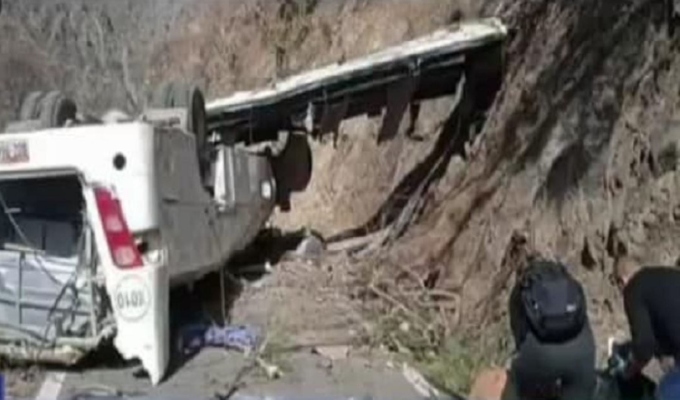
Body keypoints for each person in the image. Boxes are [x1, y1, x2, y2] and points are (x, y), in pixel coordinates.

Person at [508, 258, 596, 400]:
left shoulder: (523, 290)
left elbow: (519, 337)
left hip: (540, 355)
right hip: (583, 352)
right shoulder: (569, 289)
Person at [612, 257, 680, 400]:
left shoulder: (633, 289)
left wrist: (630, 370)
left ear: (622, 281)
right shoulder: (666, 275)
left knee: (663, 393)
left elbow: (645, 344)